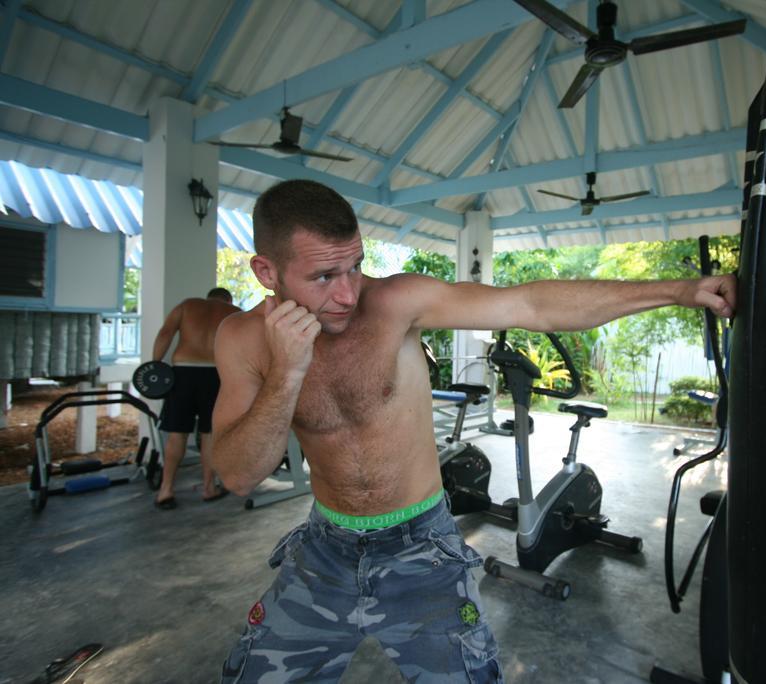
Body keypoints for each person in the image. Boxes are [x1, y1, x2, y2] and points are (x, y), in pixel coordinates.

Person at [212, 180, 736, 683]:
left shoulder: (396, 302)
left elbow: (531, 304)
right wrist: (286, 374)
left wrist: (680, 290)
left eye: (356, 266)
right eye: (324, 276)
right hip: (325, 551)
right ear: (266, 271)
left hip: (423, 547)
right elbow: (238, 475)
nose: (349, 293)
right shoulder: (242, 339)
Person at [152, 287, 240, 509]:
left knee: (177, 435)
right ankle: (209, 488)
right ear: (227, 299)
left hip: (183, 371)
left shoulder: (187, 305)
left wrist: (155, 366)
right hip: (214, 374)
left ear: (208, 297)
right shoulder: (234, 312)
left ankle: (165, 490)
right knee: (209, 434)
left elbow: (165, 333)